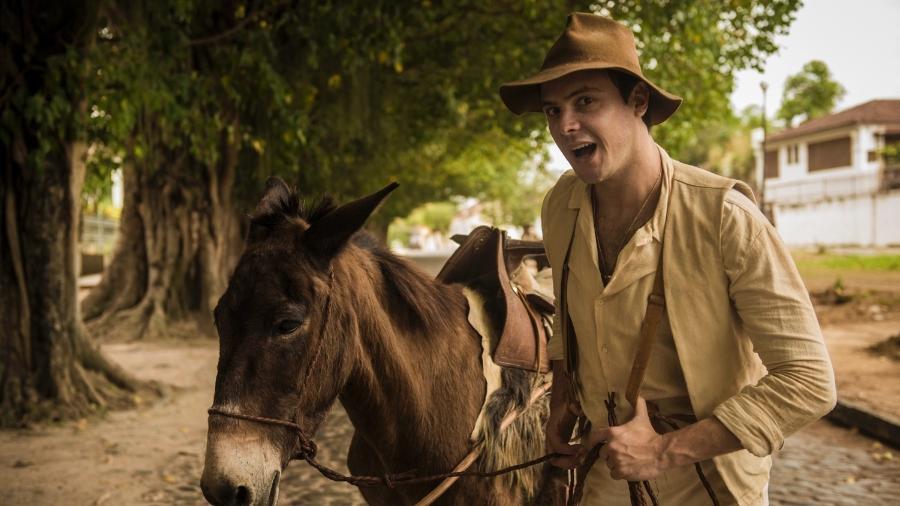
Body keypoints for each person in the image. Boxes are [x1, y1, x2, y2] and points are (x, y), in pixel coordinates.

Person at [499, 13, 836, 505]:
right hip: (604, 473)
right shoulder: (560, 205)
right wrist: (566, 395)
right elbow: (573, 318)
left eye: (585, 101)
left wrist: (663, 451)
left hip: (711, 484)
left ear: (638, 102)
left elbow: (809, 380)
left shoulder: (724, 216)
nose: (565, 126)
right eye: (552, 111)